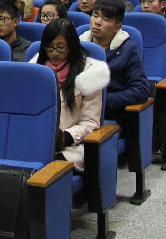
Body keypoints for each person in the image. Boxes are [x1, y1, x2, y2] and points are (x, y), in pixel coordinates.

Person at [32, 19, 109, 171]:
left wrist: (66, 137)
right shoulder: (35, 67)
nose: (54, 53)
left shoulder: (90, 72)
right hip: (35, 139)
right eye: (50, 47)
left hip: (69, 146)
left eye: (61, 48)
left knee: (45, 167)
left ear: (72, 46)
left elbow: (90, 121)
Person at [80, 0, 150, 123]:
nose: (97, 22)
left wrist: (103, 100)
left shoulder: (127, 50)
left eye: (106, 19)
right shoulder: (79, 45)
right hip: (76, 112)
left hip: (109, 114)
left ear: (117, 27)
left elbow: (141, 90)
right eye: (95, 15)